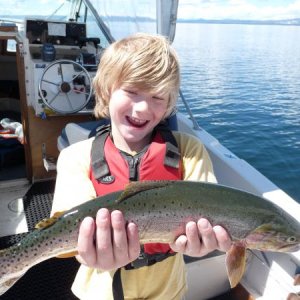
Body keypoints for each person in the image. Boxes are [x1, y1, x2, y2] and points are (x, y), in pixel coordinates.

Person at [52, 33, 231, 300]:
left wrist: (203, 244)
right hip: (98, 292)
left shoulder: (190, 152)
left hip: (168, 291)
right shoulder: (75, 157)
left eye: (158, 97)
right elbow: (63, 239)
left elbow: (211, 210)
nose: (142, 108)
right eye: (132, 91)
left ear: (170, 103)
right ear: (106, 90)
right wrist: (88, 250)